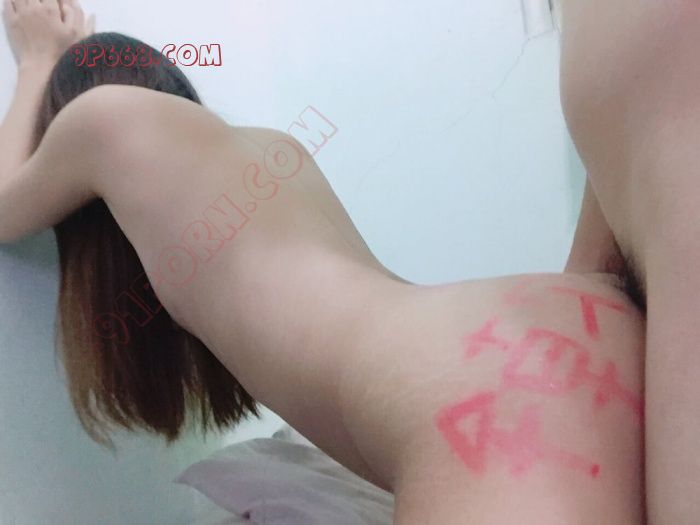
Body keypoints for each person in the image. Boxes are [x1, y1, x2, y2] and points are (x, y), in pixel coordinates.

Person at [0, 0, 652, 523]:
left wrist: (38, 60)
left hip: (472, 400)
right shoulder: (270, 147)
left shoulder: (97, 118)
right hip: (563, 325)